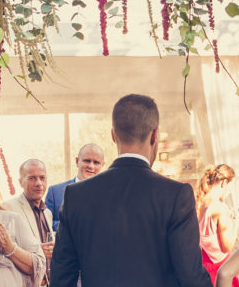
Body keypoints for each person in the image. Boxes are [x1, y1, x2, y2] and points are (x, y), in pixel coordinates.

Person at [51, 94, 212, 287]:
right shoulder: (176, 196)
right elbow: (191, 277)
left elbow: (61, 278)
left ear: (113, 135)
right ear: (155, 135)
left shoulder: (76, 195)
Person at [5, 159, 54, 285]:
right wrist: (37, 252)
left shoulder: (47, 213)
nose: (38, 183)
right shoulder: (8, 208)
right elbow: (4, 251)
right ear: (21, 182)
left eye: (42, 178)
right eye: (32, 178)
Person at [195, 164, 239, 287]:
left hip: (202, 267)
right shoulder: (220, 208)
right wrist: (237, 222)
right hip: (221, 269)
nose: (229, 192)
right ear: (224, 183)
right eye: (230, 187)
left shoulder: (198, 203)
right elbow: (227, 246)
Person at [45, 143, 105, 231]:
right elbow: (45, 225)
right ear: (77, 161)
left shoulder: (109, 195)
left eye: (96, 162)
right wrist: (75, 223)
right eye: (87, 161)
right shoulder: (55, 192)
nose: (91, 166)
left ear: (102, 165)